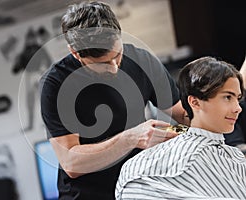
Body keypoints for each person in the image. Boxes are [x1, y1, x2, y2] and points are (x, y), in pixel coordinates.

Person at [40, 1, 187, 199]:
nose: (114, 67)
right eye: (101, 64)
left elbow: (184, 116)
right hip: (87, 194)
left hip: (137, 188)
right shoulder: (56, 84)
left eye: (117, 55)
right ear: (75, 53)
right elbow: (72, 163)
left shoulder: (141, 60)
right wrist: (131, 138)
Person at [116, 56, 246, 199]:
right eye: (228, 97)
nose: (238, 108)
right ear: (195, 102)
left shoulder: (235, 157)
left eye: (237, 99)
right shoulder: (148, 168)